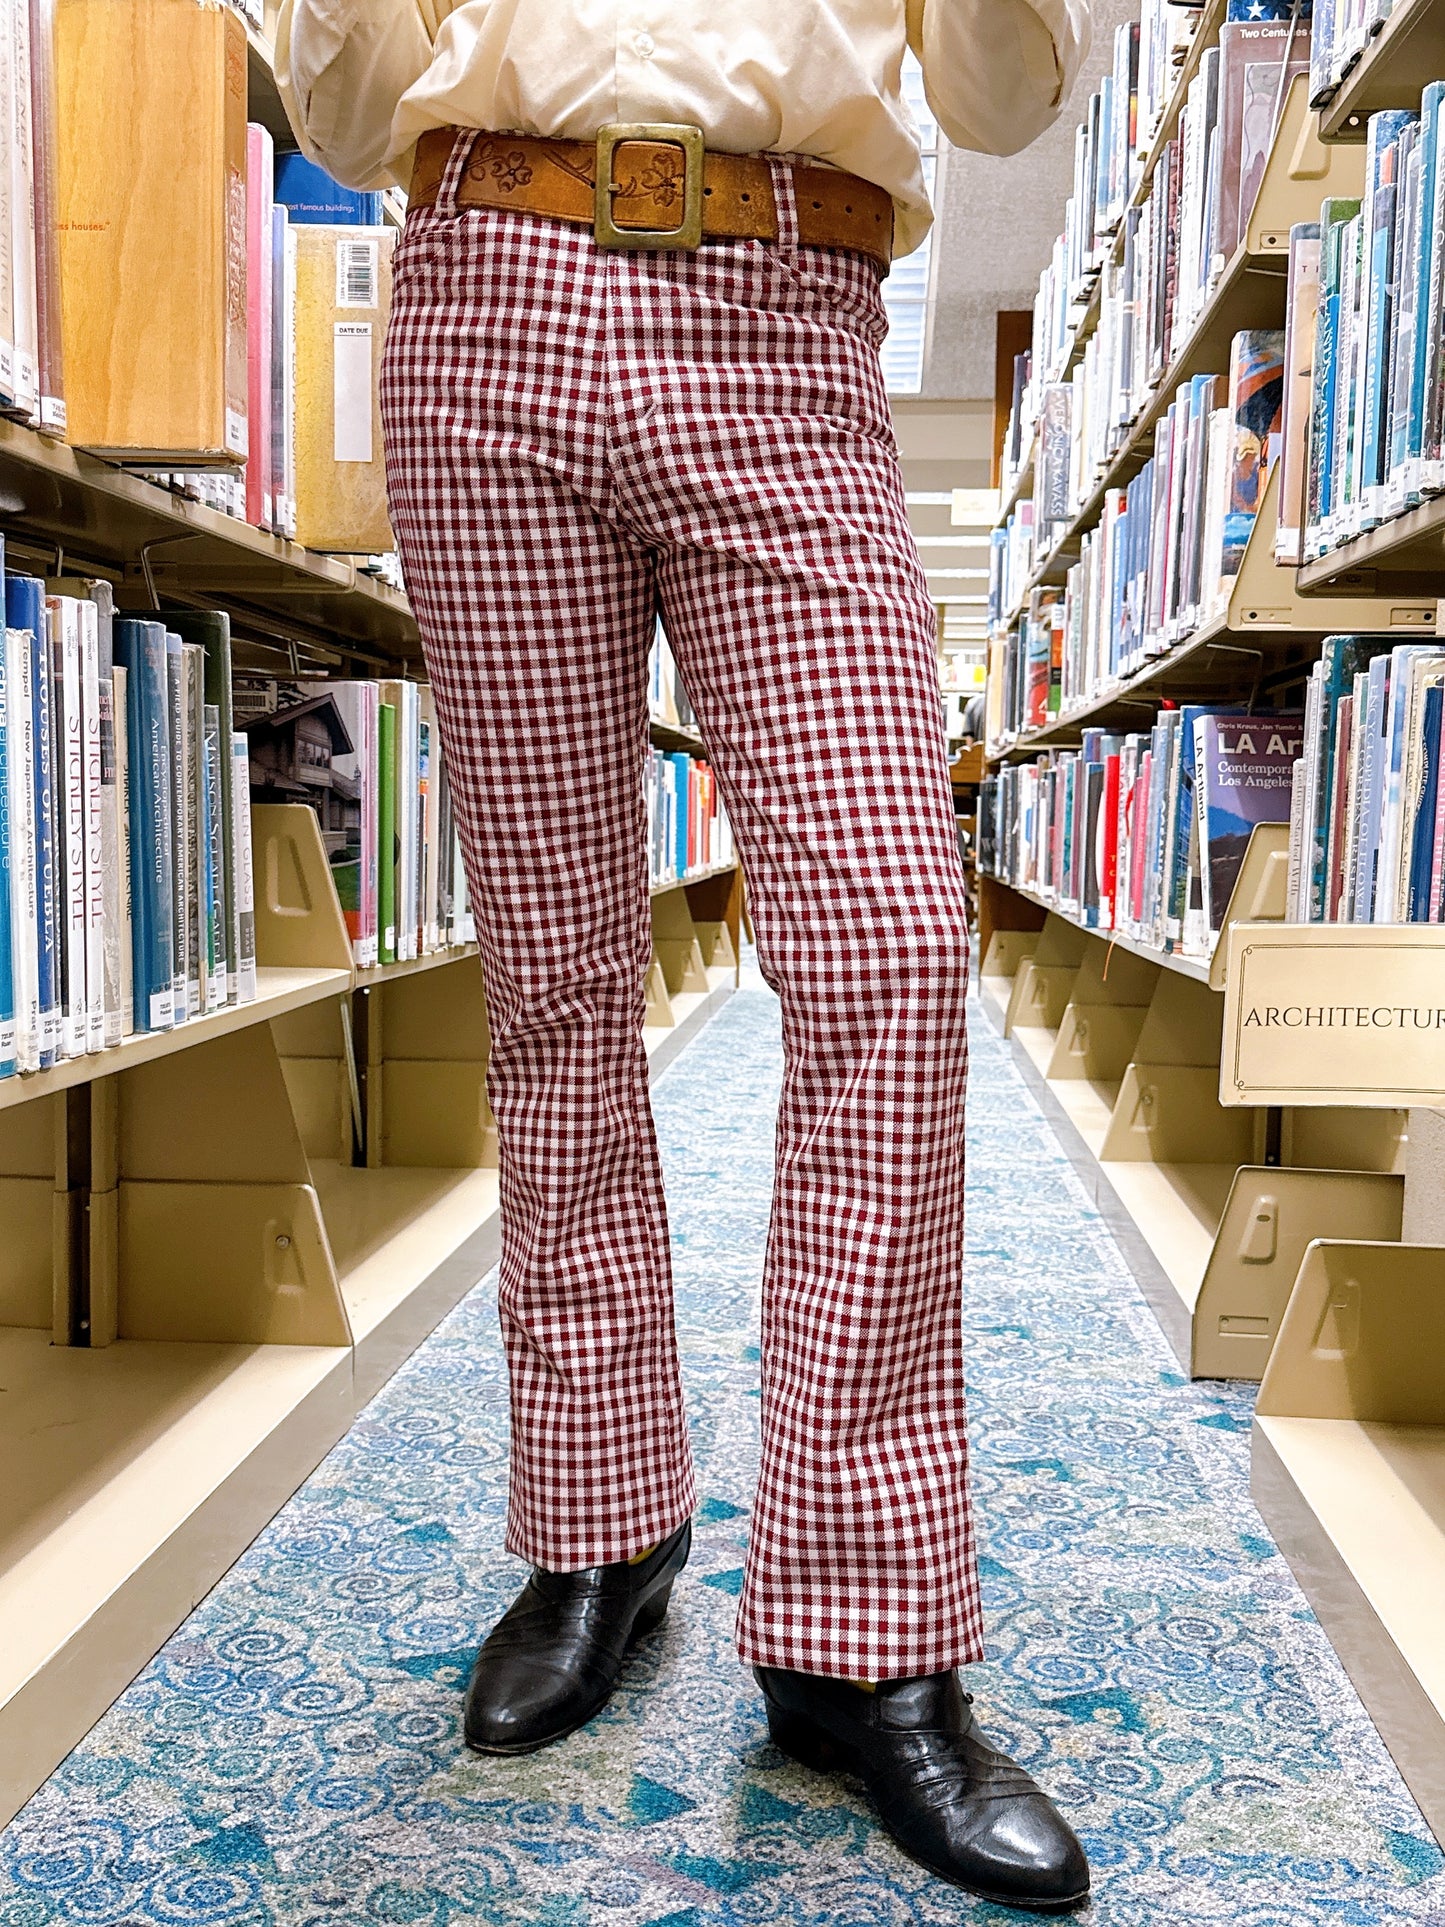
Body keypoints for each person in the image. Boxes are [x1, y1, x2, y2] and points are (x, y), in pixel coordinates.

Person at [276, 1, 1091, 1908]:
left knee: (886, 952)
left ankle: (856, 1629)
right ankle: (597, 1528)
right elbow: (340, 102)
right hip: (486, 288)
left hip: (791, 312)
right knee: (556, 982)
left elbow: (1001, 94)